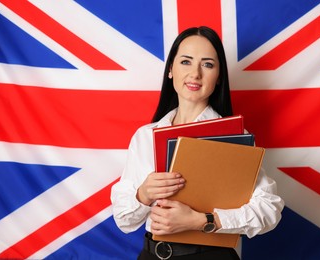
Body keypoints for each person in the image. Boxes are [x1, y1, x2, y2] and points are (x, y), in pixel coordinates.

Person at [111, 26, 284, 260]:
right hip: (152, 254)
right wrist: (143, 194)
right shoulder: (144, 136)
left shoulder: (233, 136)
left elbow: (269, 209)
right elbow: (124, 221)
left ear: (219, 76)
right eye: (186, 62)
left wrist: (202, 220)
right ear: (170, 69)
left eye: (207, 64)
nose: (195, 74)